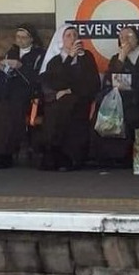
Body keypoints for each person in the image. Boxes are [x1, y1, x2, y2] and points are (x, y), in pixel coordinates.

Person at [0, 24, 45, 169]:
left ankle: (3, 152)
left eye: (24, 37)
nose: (20, 40)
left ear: (32, 39)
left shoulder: (39, 55)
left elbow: (38, 78)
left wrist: (21, 67)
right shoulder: (12, 52)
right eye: (18, 37)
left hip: (27, 96)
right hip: (7, 94)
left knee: (7, 112)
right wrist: (1, 69)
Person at [39, 25, 100, 171]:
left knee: (68, 104)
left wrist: (70, 90)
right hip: (59, 103)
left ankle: (67, 156)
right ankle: (56, 153)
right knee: (59, 107)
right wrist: (69, 59)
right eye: (68, 35)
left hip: (81, 99)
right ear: (61, 40)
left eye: (75, 35)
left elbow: (93, 83)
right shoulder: (55, 61)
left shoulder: (86, 57)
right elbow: (57, 83)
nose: (73, 38)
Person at [91, 26, 139, 167]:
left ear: (137, 38)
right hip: (120, 99)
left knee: (132, 112)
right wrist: (122, 57)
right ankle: (111, 156)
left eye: (129, 36)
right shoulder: (116, 58)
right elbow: (110, 79)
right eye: (122, 37)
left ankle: (130, 156)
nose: (125, 40)